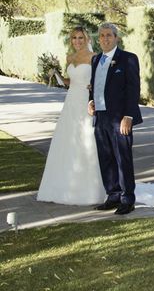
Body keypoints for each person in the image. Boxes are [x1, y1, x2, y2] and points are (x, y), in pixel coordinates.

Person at [37, 27, 106, 205]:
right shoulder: (69, 57)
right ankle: (63, 186)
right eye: (74, 38)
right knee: (67, 140)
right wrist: (57, 75)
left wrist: (95, 92)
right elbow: (71, 82)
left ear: (87, 39)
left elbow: (102, 80)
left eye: (81, 38)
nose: (77, 41)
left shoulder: (94, 57)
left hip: (86, 102)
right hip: (71, 102)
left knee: (87, 140)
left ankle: (93, 190)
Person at [89, 23, 143, 215]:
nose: (105, 38)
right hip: (100, 117)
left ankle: (127, 199)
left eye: (109, 35)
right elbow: (95, 86)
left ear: (116, 38)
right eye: (102, 35)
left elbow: (133, 89)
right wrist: (91, 102)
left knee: (123, 160)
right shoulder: (96, 60)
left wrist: (128, 116)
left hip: (120, 119)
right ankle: (112, 195)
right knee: (106, 158)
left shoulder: (128, 59)